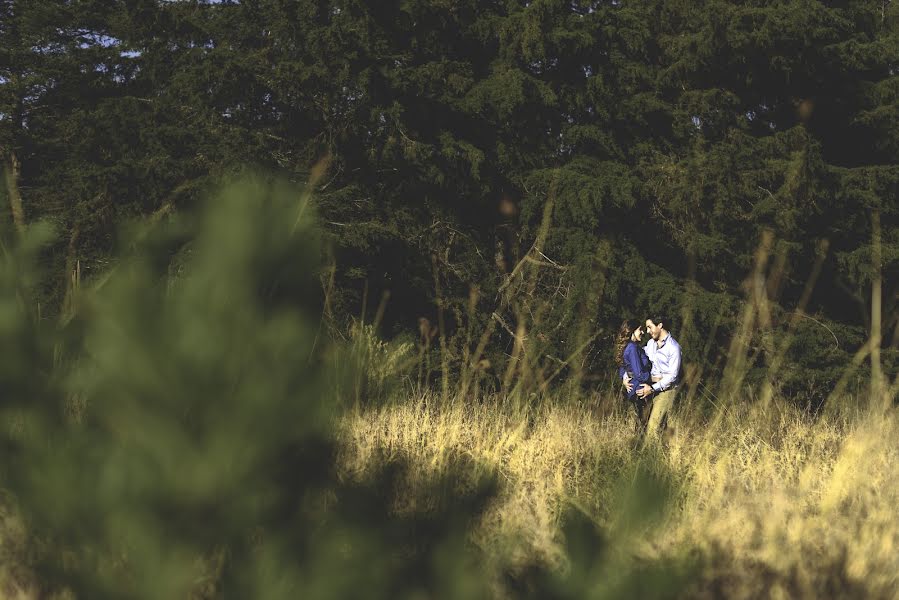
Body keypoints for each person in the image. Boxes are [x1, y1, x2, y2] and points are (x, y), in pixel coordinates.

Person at [626, 316, 682, 439]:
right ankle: (664, 452)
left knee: (653, 427)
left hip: (666, 390)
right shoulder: (651, 344)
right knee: (655, 426)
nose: (647, 331)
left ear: (660, 325)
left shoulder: (674, 348)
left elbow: (672, 376)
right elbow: (636, 359)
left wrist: (652, 388)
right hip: (650, 388)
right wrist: (626, 376)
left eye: (650, 327)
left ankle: (651, 456)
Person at [615, 320, 653, 433]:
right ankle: (641, 448)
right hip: (640, 389)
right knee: (644, 425)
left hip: (634, 390)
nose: (642, 332)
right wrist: (655, 378)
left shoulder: (628, 346)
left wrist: (623, 378)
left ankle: (640, 447)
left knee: (641, 423)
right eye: (640, 329)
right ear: (632, 331)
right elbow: (639, 373)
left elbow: (622, 366)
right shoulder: (632, 348)